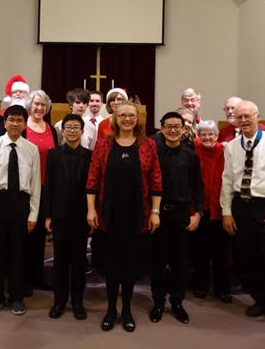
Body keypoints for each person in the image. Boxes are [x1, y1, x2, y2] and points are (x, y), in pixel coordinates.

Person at [87, 101, 162, 332]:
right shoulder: (103, 144)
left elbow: (156, 180)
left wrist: (155, 212)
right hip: (108, 214)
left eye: (131, 115)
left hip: (137, 215)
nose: (127, 119)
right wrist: (91, 209)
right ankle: (111, 309)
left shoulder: (148, 144)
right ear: (115, 118)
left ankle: (127, 309)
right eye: (122, 115)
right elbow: (93, 178)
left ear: (137, 119)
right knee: (111, 266)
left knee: (130, 266)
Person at [220, 100, 265, 328]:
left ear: (257, 116)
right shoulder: (232, 146)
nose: (243, 120)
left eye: (247, 116)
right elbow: (227, 179)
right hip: (242, 206)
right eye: (239, 117)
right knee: (248, 257)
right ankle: (262, 300)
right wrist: (227, 211)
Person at [0, 104, 41, 316]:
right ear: (4, 123)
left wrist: (33, 214)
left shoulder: (31, 150)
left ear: (25, 124)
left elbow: (35, 184)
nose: (15, 124)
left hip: (21, 203)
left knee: (19, 252)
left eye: (19, 120)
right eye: (11, 120)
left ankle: (17, 297)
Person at [149, 111, 204, 325]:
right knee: (158, 260)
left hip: (182, 214)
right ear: (162, 129)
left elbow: (198, 187)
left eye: (177, 127)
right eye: (168, 127)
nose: (173, 130)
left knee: (180, 261)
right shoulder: (154, 153)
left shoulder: (191, 156)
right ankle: (158, 301)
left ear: (184, 129)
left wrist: (198, 213)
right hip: (158, 213)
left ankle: (177, 302)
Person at [44, 114, 92, 320]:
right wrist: (48, 215)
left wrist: (92, 214)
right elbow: (49, 185)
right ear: (62, 131)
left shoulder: (90, 155)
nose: (72, 131)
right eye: (68, 127)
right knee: (60, 261)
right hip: (60, 216)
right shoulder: (53, 155)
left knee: (79, 261)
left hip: (82, 216)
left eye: (76, 127)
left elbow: (93, 187)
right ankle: (59, 301)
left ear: (82, 131)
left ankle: (78, 302)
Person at [192, 120, 231, 303]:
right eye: (203, 134)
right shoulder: (193, 153)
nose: (207, 137)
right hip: (200, 210)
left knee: (220, 253)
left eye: (211, 134)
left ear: (217, 136)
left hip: (221, 210)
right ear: (199, 136)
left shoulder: (226, 151)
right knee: (200, 251)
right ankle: (201, 286)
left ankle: (222, 289)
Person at [24, 89, 59, 292]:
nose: (39, 108)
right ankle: (24, 278)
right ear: (30, 105)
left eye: (43, 105)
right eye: (36, 104)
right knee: (25, 234)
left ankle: (38, 274)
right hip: (26, 188)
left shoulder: (52, 130)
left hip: (45, 187)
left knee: (39, 235)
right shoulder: (22, 127)